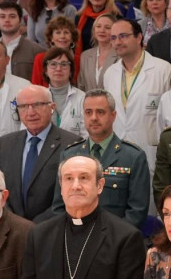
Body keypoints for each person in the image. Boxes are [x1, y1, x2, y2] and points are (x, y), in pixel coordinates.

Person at [56, 89, 153, 226]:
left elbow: (137, 211)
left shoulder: (133, 157)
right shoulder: (69, 155)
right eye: (88, 112)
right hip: (76, 236)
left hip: (117, 240)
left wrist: (113, 239)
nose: (94, 117)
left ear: (113, 116)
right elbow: (59, 207)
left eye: (100, 112)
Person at [0, 85, 83, 221]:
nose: (30, 112)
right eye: (23, 106)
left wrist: (34, 228)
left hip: (52, 229)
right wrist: (16, 225)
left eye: (37, 105)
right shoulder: (5, 144)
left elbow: (70, 195)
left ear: (52, 107)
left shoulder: (72, 144)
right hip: (12, 229)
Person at [104, 18, 171, 158]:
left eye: (123, 36)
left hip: (152, 153)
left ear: (139, 37)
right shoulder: (110, 73)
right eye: (113, 38)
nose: (117, 42)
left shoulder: (164, 70)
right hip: (118, 152)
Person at [0, 1, 47, 82]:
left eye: (12, 16)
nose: (7, 20)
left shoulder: (37, 51)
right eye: (2, 16)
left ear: (20, 20)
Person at [42, 47, 86, 138]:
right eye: (53, 64)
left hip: (75, 150)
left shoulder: (83, 98)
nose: (58, 69)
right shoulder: (38, 98)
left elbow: (86, 134)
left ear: (71, 71)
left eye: (64, 64)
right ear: (46, 70)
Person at [29, 18, 81, 88]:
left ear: (72, 38)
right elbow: (35, 87)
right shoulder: (40, 58)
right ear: (51, 38)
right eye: (58, 32)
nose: (62, 36)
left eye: (66, 32)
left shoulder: (79, 60)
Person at [78, 13, 118, 92]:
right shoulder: (85, 56)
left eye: (107, 27)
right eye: (98, 26)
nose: (102, 30)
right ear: (94, 30)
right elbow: (81, 86)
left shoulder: (121, 56)